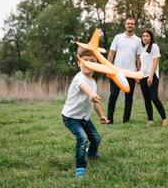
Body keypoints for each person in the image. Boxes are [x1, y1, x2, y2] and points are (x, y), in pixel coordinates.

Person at [61, 47, 108, 177]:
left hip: (83, 118)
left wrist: (102, 115)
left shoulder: (93, 82)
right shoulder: (79, 78)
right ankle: (80, 167)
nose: (88, 63)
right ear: (79, 62)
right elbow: (84, 87)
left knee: (96, 139)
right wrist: (92, 94)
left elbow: (95, 101)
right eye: (85, 60)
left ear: (96, 65)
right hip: (70, 117)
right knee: (83, 139)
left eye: (92, 61)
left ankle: (91, 153)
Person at [107, 17, 142, 124]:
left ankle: (126, 121)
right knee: (113, 96)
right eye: (128, 23)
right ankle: (109, 120)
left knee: (129, 98)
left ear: (134, 26)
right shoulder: (118, 37)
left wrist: (138, 74)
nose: (129, 25)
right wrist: (108, 69)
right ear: (125, 25)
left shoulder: (138, 41)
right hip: (116, 72)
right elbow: (111, 53)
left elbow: (139, 58)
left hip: (131, 73)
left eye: (132, 24)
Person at [139, 29, 168, 127]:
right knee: (147, 99)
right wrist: (139, 76)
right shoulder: (142, 49)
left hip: (152, 76)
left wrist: (151, 76)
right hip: (143, 77)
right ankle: (150, 120)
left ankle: (164, 119)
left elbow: (155, 62)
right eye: (143, 36)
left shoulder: (154, 46)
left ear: (151, 37)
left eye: (147, 36)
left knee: (154, 98)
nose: (145, 37)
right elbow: (142, 65)